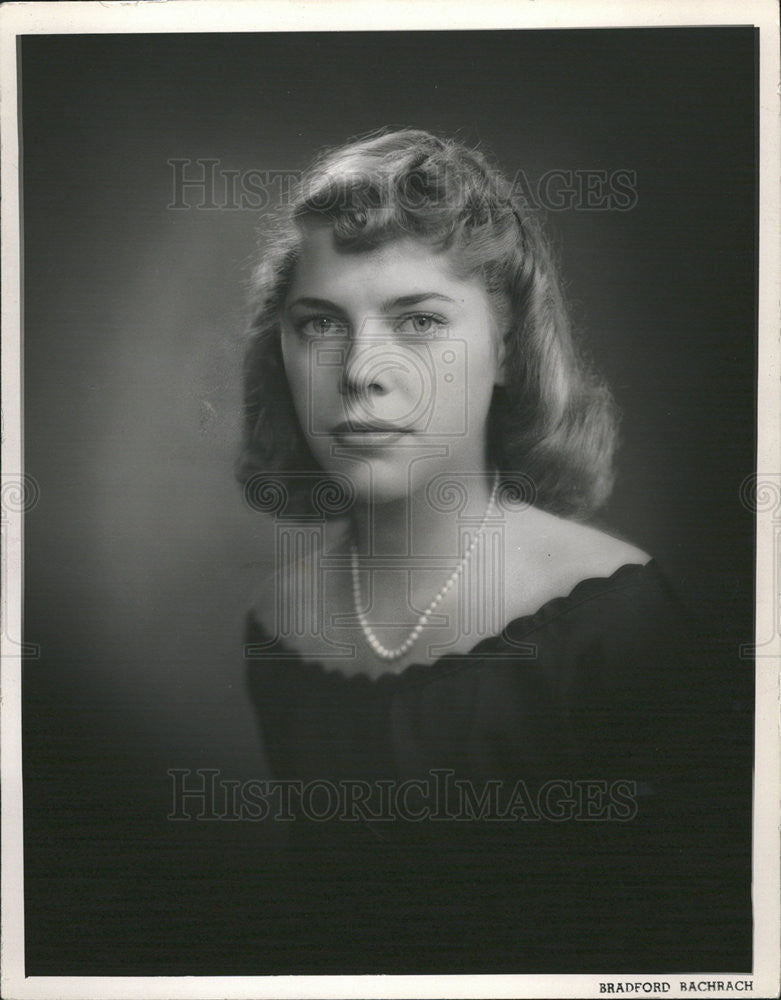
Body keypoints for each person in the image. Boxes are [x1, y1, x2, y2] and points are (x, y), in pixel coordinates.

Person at [236, 129, 751, 973]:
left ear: (506, 346)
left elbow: (699, 959)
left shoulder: (618, 627)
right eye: (320, 324)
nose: (361, 370)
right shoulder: (274, 623)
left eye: (419, 321)